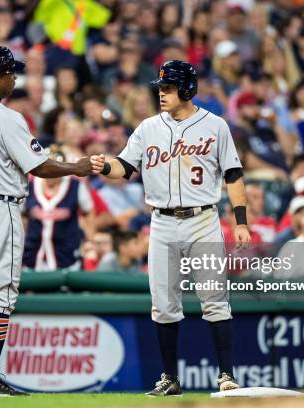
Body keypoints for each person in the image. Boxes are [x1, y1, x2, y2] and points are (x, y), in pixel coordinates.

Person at [91, 60, 251, 395]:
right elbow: (125, 166)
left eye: (168, 87)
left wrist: (240, 221)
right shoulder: (148, 128)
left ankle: (226, 376)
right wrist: (105, 165)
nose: (161, 93)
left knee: (215, 300)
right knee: (163, 304)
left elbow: (233, 174)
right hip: (161, 222)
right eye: (160, 87)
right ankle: (169, 379)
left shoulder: (216, 126)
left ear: (187, 89)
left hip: (203, 219)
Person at [0, 46, 91, 396]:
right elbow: (40, 167)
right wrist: (75, 167)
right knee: (1, 295)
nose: (14, 78)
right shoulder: (5, 117)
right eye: (9, 73)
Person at [23, 145, 94, 271]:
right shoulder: (29, 186)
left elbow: (89, 211)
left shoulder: (75, 186)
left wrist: (89, 240)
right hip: (33, 256)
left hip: (66, 256)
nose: (51, 173)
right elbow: (22, 215)